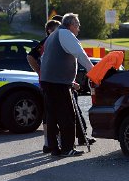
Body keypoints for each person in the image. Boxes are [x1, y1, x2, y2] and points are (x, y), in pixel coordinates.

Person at [40, 13, 94, 157]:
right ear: (72, 25)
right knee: (67, 116)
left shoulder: (53, 35)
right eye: (78, 26)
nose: (78, 29)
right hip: (58, 83)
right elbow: (80, 54)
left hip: (48, 81)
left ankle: (54, 148)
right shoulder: (66, 34)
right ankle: (67, 148)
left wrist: (69, 80)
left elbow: (45, 59)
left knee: (52, 117)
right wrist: (93, 72)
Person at [27, 18, 62, 153]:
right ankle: (48, 142)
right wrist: (39, 71)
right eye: (56, 30)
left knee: (58, 113)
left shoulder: (58, 42)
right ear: (49, 31)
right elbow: (30, 56)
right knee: (50, 113)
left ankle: (57, 141)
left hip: (58, 81)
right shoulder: (45, 43)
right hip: (49, 82)